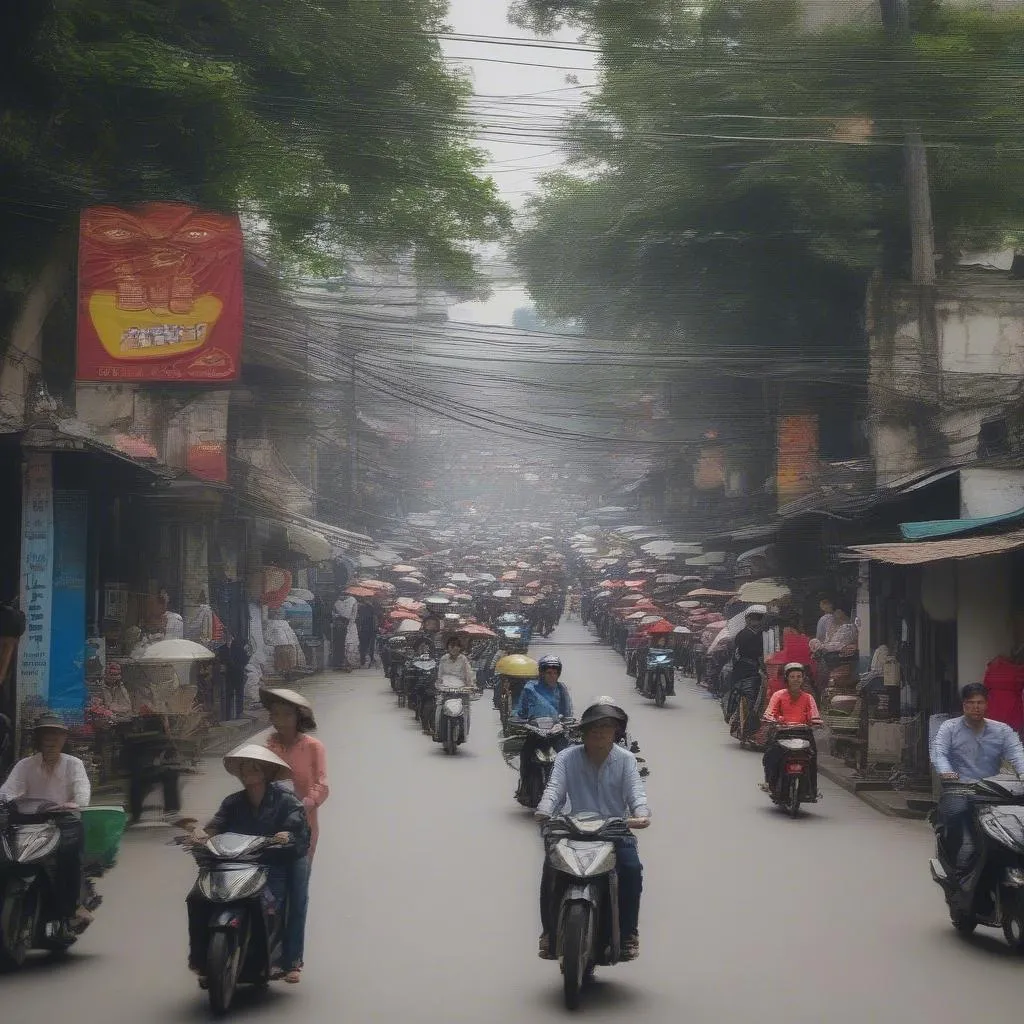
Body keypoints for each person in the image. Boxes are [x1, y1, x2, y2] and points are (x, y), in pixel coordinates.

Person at [535, 699, 650, 961]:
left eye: (607, 726)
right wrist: (544, 809)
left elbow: (636, 794)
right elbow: (554, 790)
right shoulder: (566, 757)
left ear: (616, 733)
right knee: (550, 868)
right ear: (583, 732)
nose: (600, 732)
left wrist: (641, 815)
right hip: (572, 828)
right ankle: (549, 933)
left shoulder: (626, 760)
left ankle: (629, 933)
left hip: (614, 829)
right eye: (594, 727)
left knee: (631, 869)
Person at [186, 745, 310, 986]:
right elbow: (216, 826)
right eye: (243, 767)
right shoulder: (233, 802)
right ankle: (202, 962)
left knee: (273, 904)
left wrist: (285, 834)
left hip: (272, 863)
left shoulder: (287, 801)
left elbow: (297, 829)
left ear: (266, 772)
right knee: (197, 898)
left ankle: (283, 960)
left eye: (254, 767)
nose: (247, 771)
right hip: (234, 865)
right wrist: (201, 833)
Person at [0, 712, 92, 929]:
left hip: (63, 819)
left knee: (69, 852)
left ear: (63, 739)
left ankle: (72, 906)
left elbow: (82, 789)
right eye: (46, 735)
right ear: (39, 739)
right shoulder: (25, 765)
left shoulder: (74, 764)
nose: (51, 740)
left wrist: (78, 803)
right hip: (27, 820)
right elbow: (7, 790)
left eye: (56, 735)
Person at [263, 688, 328, 983]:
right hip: (270, 828)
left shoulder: (313, 747)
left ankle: (292, 961)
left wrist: (308, 802)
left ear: (297, 717)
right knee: (270, 894)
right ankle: (267, 955)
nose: (277, 719)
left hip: (303, 830)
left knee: (297, 894)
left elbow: (322, 784)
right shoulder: (269, 745)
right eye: (274, 713)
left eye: (284, 713)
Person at [930, 683, 1024, 878]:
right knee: (957, 821)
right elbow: (939, 753)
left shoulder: (1002, 731)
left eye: (980, 702)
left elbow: (1017, 755)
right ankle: (954, 870)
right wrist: (947, 773)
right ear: (963, 705)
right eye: (970, 703)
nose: (976, 707)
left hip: (994, 792)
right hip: (960, 788)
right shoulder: (950, 728)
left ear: (987, 704)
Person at [512, 655, 573, 802]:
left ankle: (569, 792)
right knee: (525, 755)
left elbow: (568, 712)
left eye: (555, 673)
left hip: (556, 733)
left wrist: (565, 723)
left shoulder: (561, 689)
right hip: (535, 732)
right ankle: (524, 788)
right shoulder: (530, 688)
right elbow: (521, 711)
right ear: (541, 673)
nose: (552, 676)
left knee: (567, 759)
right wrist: (519, 719)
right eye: (548, 673)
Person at [760, 663, 823, 793]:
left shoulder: (808, 697)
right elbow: (770, 712)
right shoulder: (778, 695)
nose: (796, 679)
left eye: (799, 676)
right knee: (770, 757)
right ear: (787, 679)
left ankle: (811, 790)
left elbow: (814, 715)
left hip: (803, 733)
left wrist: (815, 722)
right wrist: (773, 720)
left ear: (803, 678)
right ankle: (770, 782)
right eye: (792, 676)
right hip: (782, 732)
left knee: (812, 758)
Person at [332, 592, 358, 671]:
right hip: (348, 626)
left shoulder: (336, 602)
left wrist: (338, 617)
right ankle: (348, 663)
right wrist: (350, 624)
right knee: (349, 645)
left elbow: (333, 614)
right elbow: (354, 615)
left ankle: (341, 663)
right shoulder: (353, 600)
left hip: (339, 626)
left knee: (340, 645)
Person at [356, 599, 379, 668]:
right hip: (370, 630)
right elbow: (374, 618)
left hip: (363, 630)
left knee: (363, 646)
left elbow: (358, 619)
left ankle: (363, 660)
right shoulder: (371, 608)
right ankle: (370, 659)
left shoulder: (360, 608)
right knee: (370, 646)